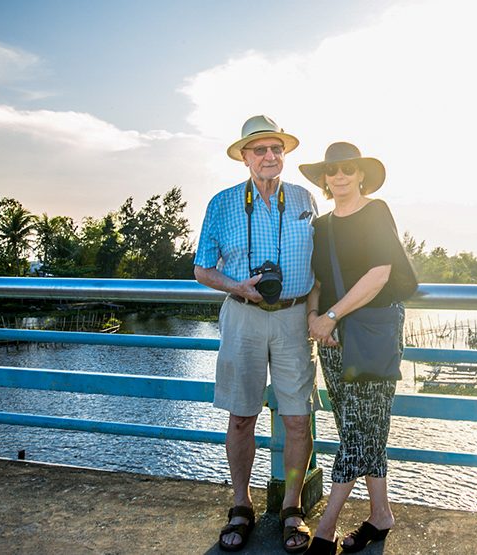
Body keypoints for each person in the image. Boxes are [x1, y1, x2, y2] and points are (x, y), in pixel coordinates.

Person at [194, 115, 318, 553]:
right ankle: (241, 505)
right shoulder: (223, 203)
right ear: (244, 157)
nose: (269, 156)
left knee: (298, 417)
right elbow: (202, 268)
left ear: (283, 154)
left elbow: (321, 265)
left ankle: (292, 509)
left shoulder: (305, 198)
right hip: (243, 315)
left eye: (276, 149)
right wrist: (238, 286)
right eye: (259, 150)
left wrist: (318, 313)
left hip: (293, 318)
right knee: (241, 415)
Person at [301, 142, 418, 554]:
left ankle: (325, 529)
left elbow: (380, 274)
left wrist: (331, 315)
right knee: (362, 427)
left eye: (348, 168)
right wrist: (317, 319)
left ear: (361, 174)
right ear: (324, 178)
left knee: (356, 432)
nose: (340, 176)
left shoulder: (376, 211)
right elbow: (316, 282)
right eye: (332, 170)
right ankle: (381, 515)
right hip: (332, 338)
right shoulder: (321, 226)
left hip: (372, 332)